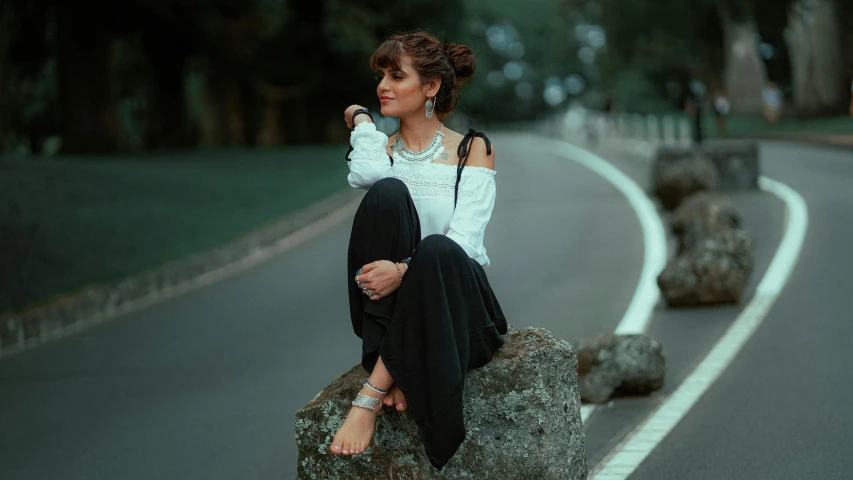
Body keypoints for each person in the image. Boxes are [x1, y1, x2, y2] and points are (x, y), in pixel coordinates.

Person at [331, 31, 508, 470]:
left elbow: (464, 245)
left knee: (437, 249)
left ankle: (370, 396)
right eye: (380, 76)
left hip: (460, 308)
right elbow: (365, 174)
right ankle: (399, 365)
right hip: (395, 311)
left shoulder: (472, 149)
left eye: (396, 76)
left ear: (430, 87)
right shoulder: (383, 153)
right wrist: (364, 124)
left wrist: (403, 270)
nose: (382, 87)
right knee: (386, 194)